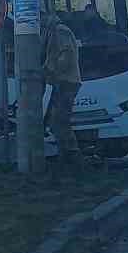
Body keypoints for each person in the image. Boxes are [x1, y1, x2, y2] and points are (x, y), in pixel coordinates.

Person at [41, 9, 84, 174]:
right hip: (63, 81)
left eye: (41, 18)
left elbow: (65, 56)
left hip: (66, 81)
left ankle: (72, 158)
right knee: (55, 121)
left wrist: (49, 71)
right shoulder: (54, 31)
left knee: (59, 121)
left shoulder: (60, 31)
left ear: (46, 16)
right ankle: (66, 157)